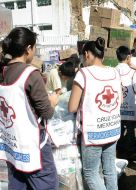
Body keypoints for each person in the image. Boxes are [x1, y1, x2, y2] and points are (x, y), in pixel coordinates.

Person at [0, 27, 58, 190]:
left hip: (12, 145)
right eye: (35, 47)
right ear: (28, 49)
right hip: (32, 145)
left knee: (18, 183)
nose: (35, 51)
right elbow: (47, 112)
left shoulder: (3, 71)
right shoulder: (30, 73)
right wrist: (52, 101)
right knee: (45, 184)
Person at [68, 37, 121, 190]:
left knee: (90, 174)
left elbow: (72, 107)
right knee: (110, 169)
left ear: (87, 54)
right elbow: (120, 98)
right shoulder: (114, 72)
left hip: (93, 133)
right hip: (112, 128)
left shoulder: (83, 74)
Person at [115, 46, 136, 158]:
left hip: (117, 107)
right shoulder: (133, 72)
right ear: (129, 57)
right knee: (130, 130)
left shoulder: (113, 71)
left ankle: (118, 149)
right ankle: (130, 150)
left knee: (118, 128)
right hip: (131, 106)